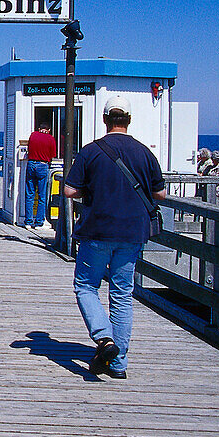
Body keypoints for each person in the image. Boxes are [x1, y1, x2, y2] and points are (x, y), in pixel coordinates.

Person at [63, 95, 165, 379]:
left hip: (97, 229)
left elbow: (70, 191)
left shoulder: (91, 151)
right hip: (133, 232)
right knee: (122, 295)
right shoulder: (145, 153)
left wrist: (93, 191)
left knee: (86, 286)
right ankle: (118, 364)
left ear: (105, 119)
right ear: (128, 120)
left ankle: (104, 339)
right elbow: (160, 194)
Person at [24, 122, 58, 228]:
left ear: (39, 128)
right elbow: (53, 154)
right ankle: (39, 222)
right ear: (49, 130)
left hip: (31, 164)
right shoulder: (51, 138)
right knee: (42, 196)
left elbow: (29, 148)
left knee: (30, 194)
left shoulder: (33, 135)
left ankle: (28, 221)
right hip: (43, 165)